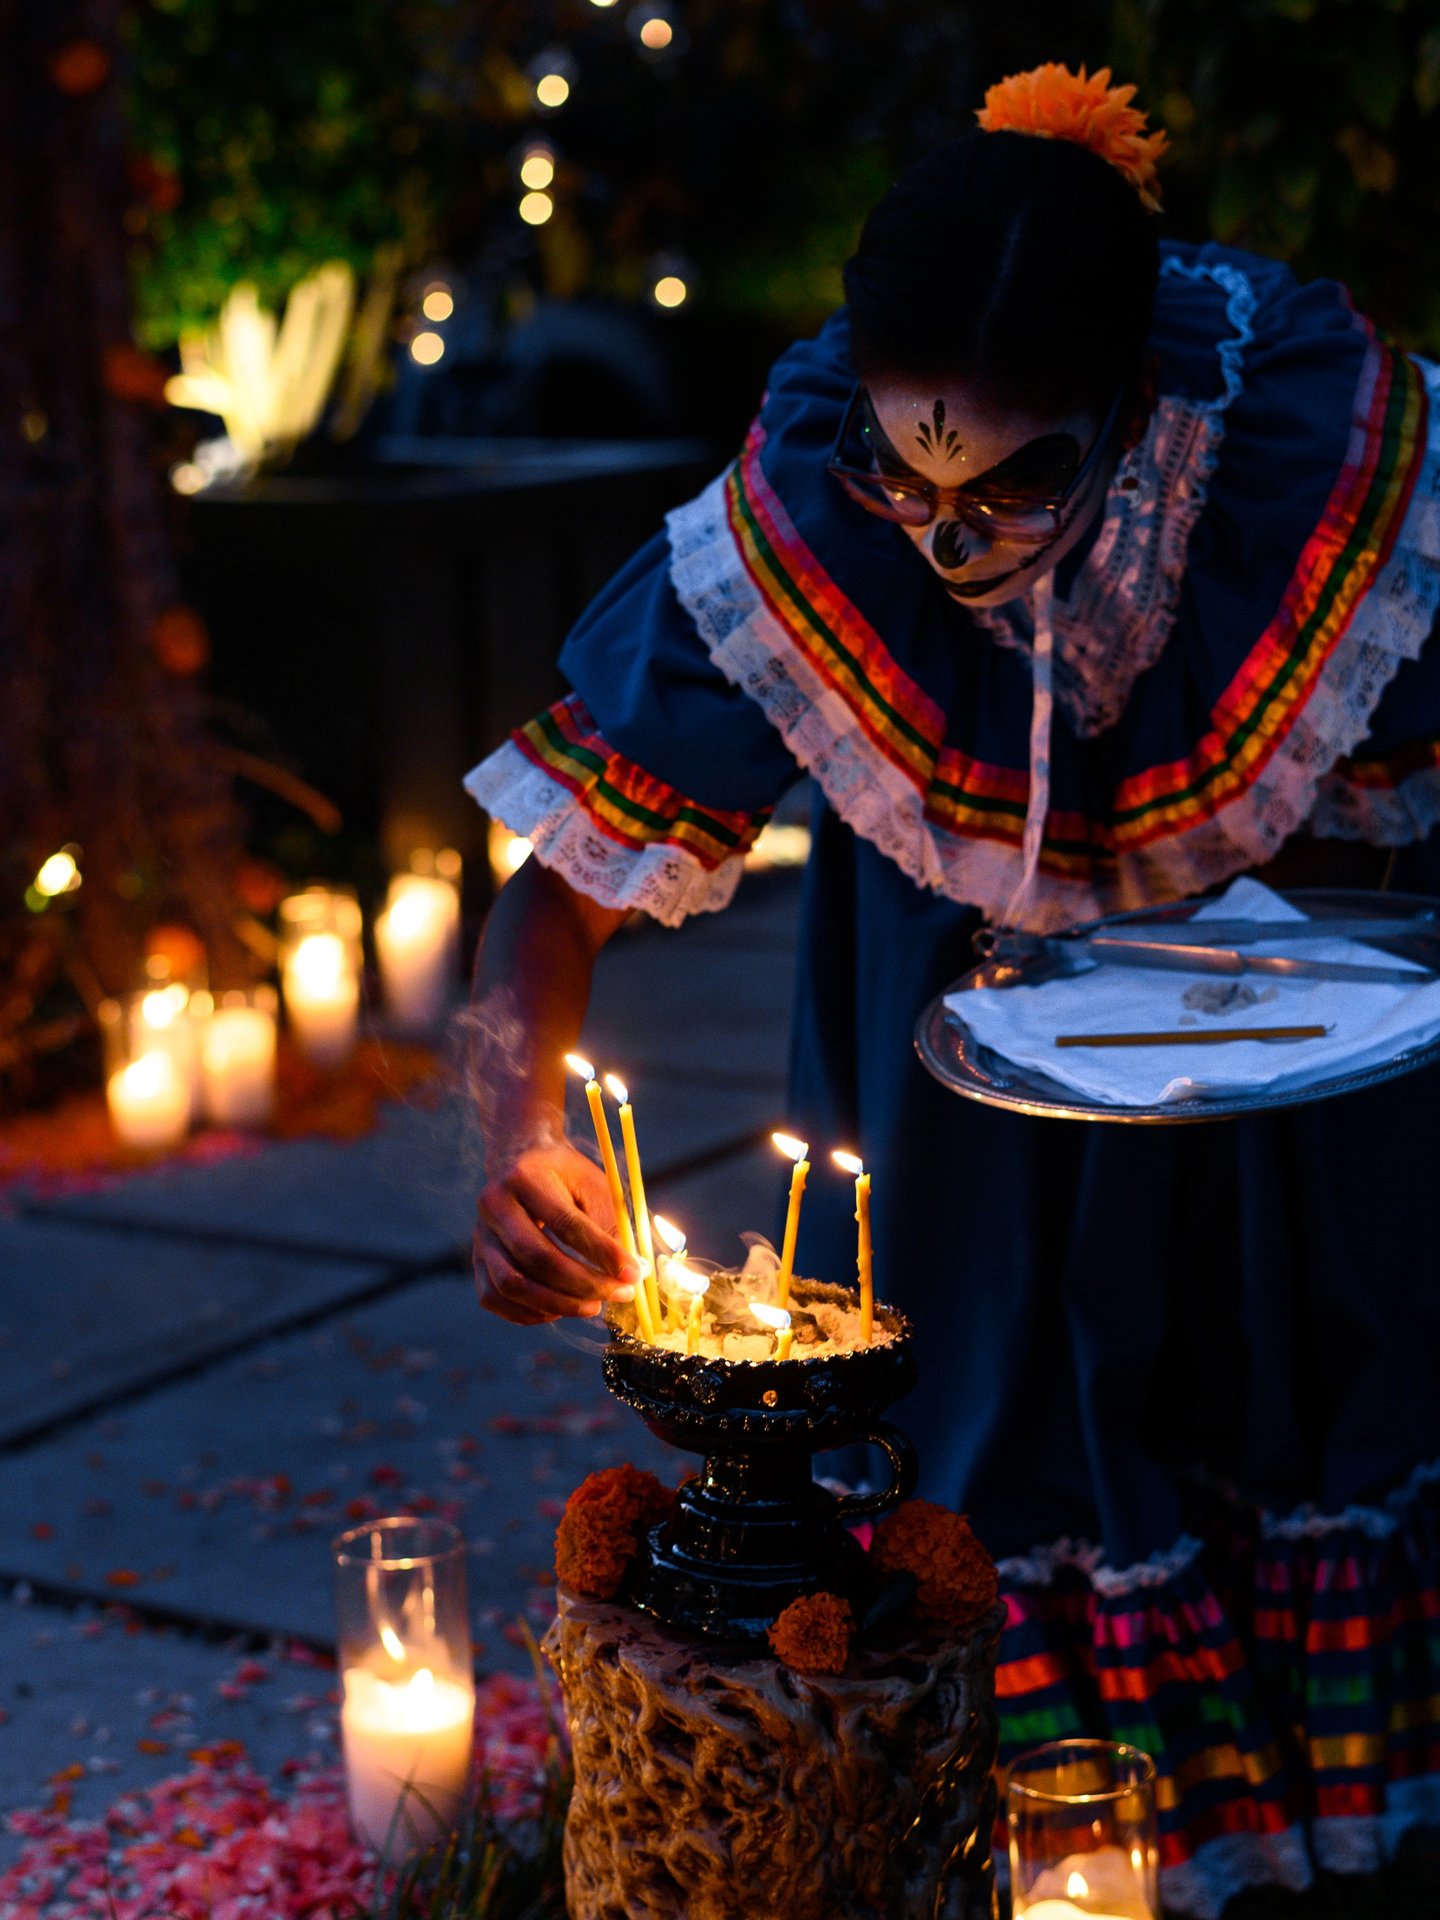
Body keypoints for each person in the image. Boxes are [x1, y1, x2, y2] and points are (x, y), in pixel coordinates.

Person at [464, 64, 1440, 1918]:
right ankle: (1016, 1838)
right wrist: (512, 1137)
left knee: (1272, 1378)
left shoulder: (1313, 464)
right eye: (906, 485)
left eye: (1014, 482)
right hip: (938, 1011)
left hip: (1277, 1026)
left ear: (1131, 409)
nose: (950, 542)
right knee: (989, 1402)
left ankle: (1288, 1845)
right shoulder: (811, 512)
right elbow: (553, 897)